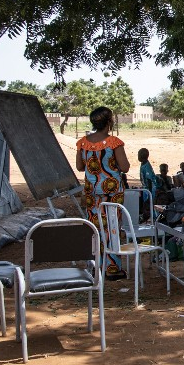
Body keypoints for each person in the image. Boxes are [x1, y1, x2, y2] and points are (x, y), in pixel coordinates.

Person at [75, 106, 130, 280]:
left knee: (95, 227)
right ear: (109, 122)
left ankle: (97, 266)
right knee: (112, 227)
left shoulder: (82, 143)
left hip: (92, 192)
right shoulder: (114, 142)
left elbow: (80, 167)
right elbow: (125, 167)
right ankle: (112, 269)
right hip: (113, 193)